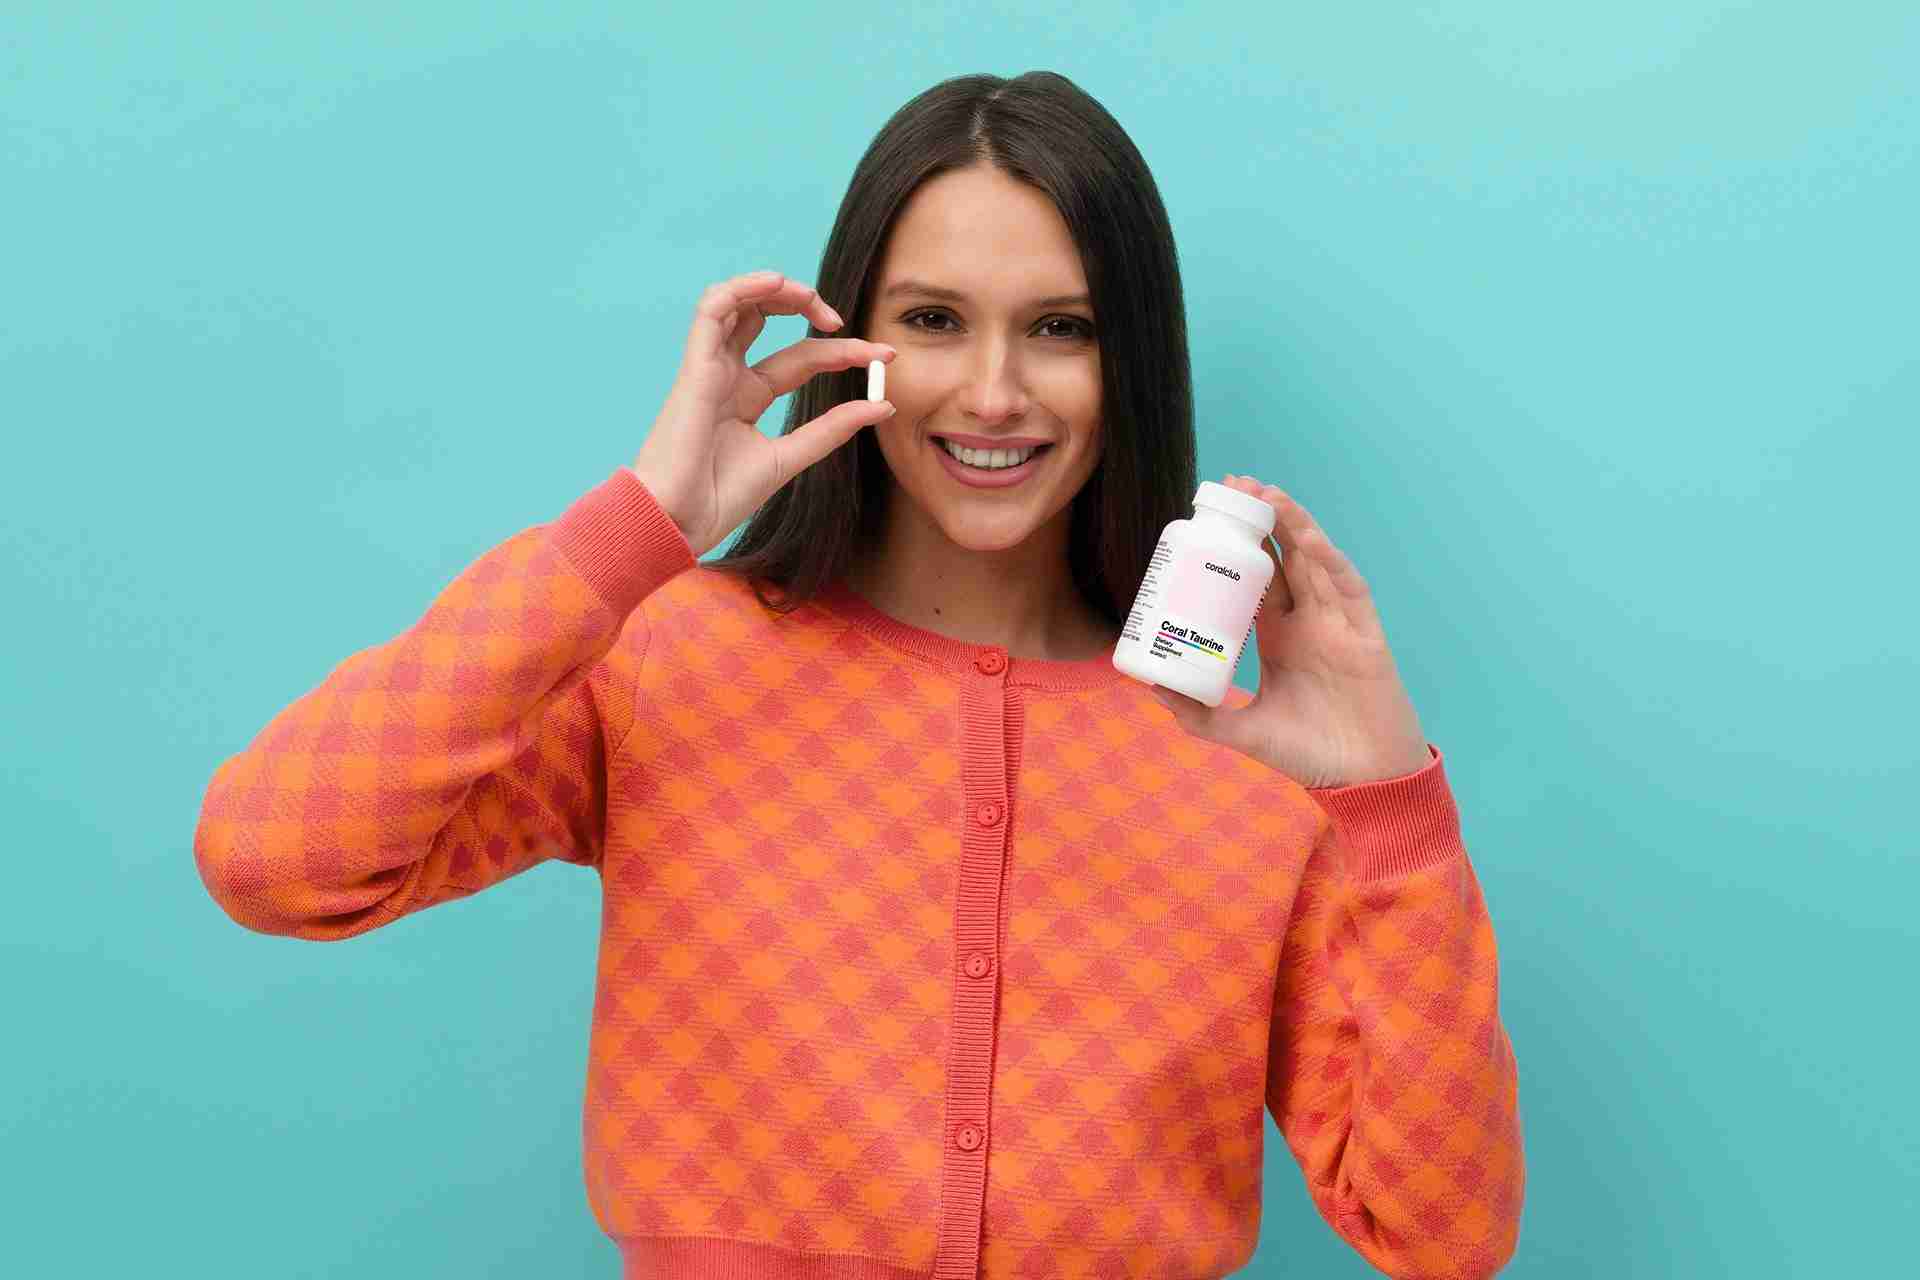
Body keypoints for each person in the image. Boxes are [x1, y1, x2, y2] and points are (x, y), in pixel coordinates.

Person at [196, 71, 1524, 1280]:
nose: (994, 392)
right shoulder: (668, 660)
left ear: (1130, 362)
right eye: (935, 320)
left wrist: (1389, 805)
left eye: (1060, 327)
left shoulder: (1245, 763)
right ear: (854, 344)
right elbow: (272, 860)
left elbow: (1442, 1233)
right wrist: (636, 531)